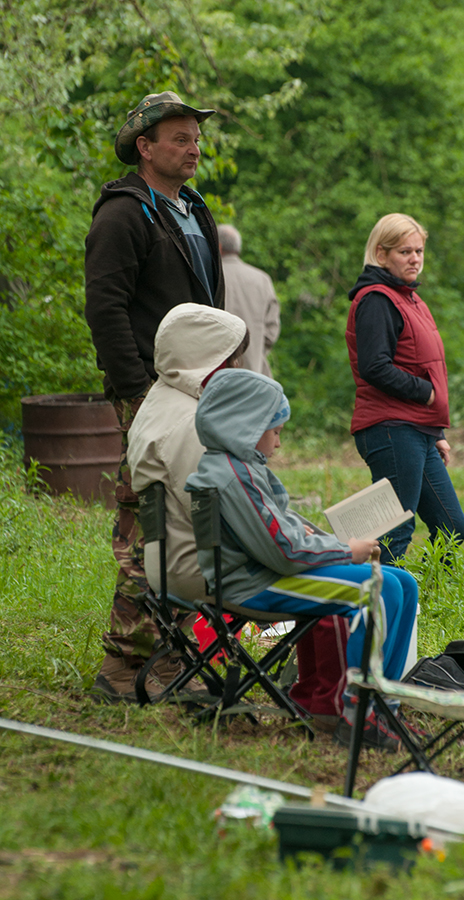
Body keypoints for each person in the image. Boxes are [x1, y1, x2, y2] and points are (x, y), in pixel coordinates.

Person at [128, 303, 350, 730]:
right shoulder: (189, 424)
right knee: (336, 577)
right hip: (207, 565)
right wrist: (314, 544)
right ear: (201, 358)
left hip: (169, 560)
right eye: (227, 360)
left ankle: (320, 693)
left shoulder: (162, 402)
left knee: (312, 554)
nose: (234, 369)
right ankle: (333, 699)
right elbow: (232, 515)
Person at [185, 368, 419, 749]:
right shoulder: (234, 476)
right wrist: (346, 551)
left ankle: (383, 705)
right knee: (378, 589)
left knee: (403, 582)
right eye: (275, 431)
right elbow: (285, 552)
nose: (279, 443)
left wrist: (329, 543)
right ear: (246, 427)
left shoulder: (239, 468)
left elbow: (282, 531)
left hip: (264, 573)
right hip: (254, 584)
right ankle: (358, 713)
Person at [85, 90, 225, 702]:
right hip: (150, 393)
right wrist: (137, 393)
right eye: (179, 139)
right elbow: (105, 309)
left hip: (200, 394)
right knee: (146, 522)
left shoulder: (193, 210)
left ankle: (171, 656)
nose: (193, 149)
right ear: (144, 147)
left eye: (197, 138)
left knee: (192, 521)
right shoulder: (123, 215)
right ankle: (123, 667)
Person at [345, 213, 464, 565]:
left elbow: (419, 362)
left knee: (451, 527)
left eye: (419, 251)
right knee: (394, 531)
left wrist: (435, 431)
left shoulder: (409, 298)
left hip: (416, 429)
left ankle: (424, 596)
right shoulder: (376, 300)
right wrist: (426, 393)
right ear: (381, 254)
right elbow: (374, 367)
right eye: (404, 252)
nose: (415, 259)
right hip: (391, 428)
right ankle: (374, 598)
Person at [217, 224, 280, 376]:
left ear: (218, 246)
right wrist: (255, 351)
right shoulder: (262, 279)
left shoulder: (209, 275)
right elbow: (272, 329)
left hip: (214, 375)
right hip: (254, 374)